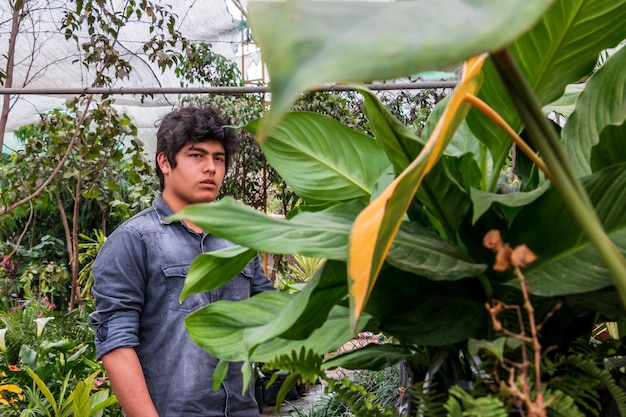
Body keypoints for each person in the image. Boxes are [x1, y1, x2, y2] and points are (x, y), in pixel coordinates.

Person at [90, 105, 275, 417]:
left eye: (219, 158)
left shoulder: (239, 239)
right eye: (196, 156)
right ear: (165, 161)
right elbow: (116, 344)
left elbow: (271, 309)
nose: (211, 168)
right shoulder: (134, 240)